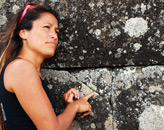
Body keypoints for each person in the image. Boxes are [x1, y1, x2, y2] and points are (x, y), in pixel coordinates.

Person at [0, 2, 94, 130]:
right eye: (46, 27)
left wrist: (68, 109)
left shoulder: (27, 70)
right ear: (23, 33)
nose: (54, 36)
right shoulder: (21, 68)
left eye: (56, 31)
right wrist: (74, 107)